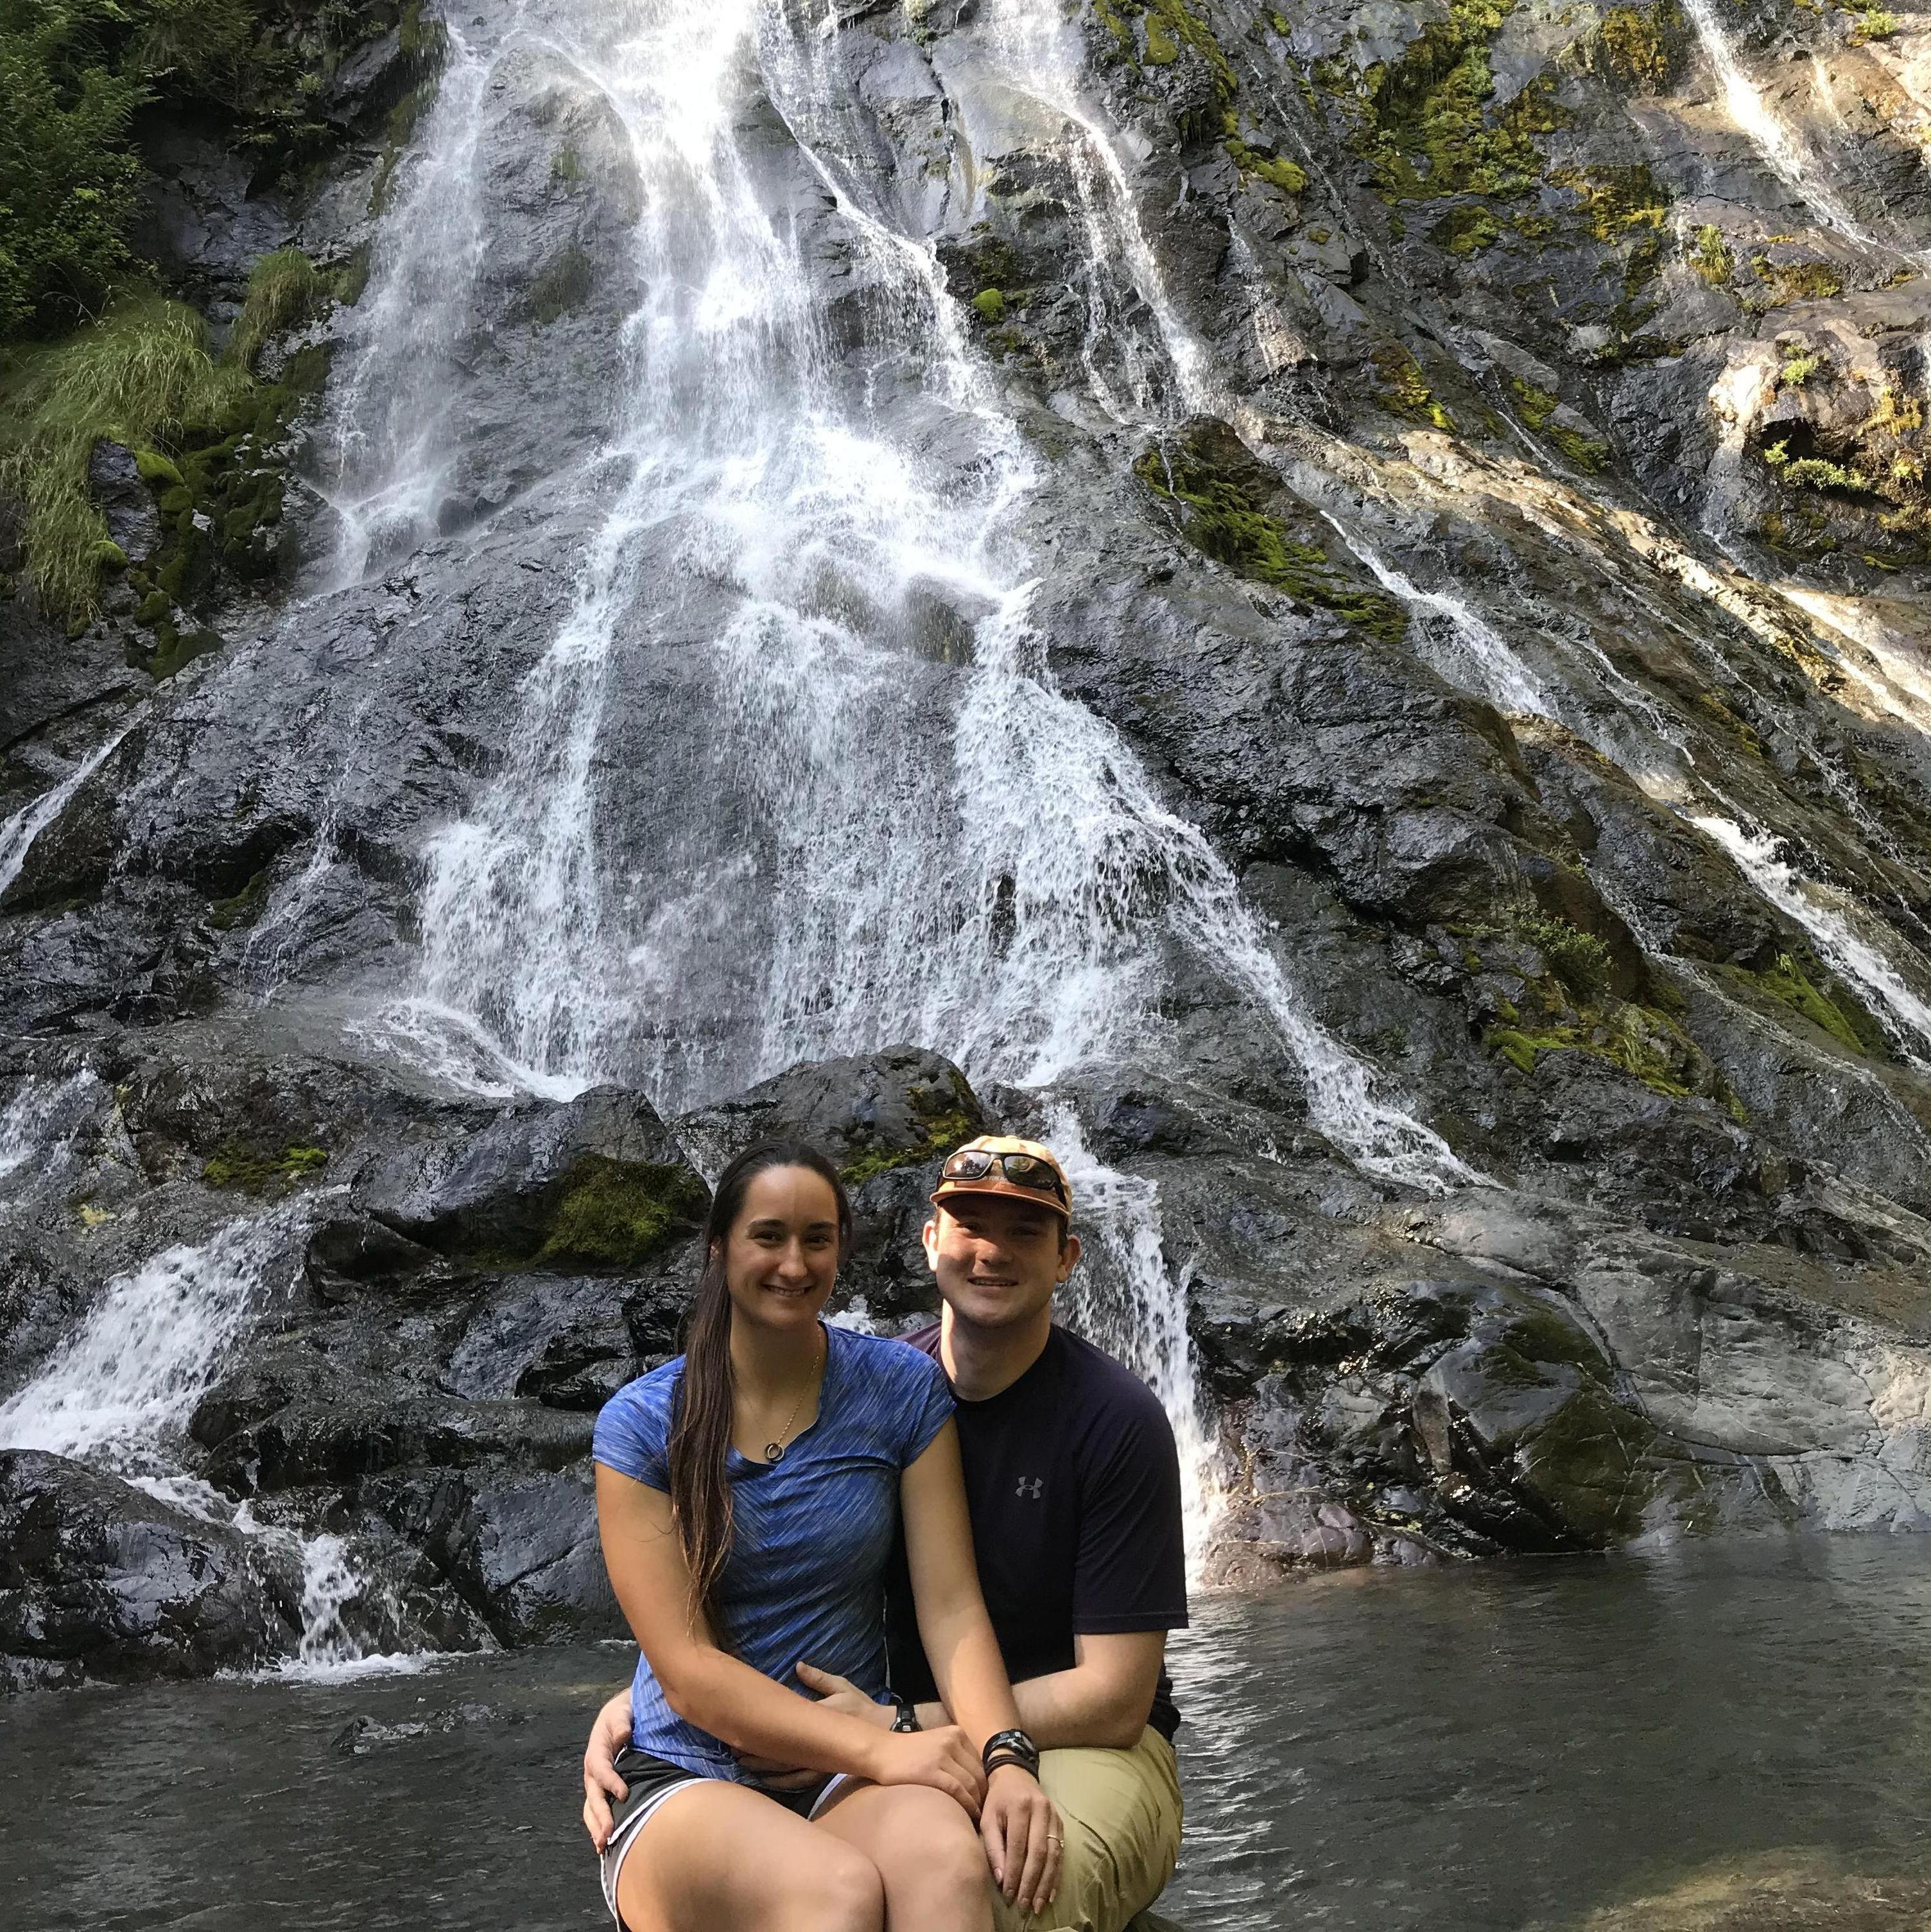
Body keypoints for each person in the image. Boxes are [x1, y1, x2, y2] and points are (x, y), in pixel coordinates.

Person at [586, 1133, 1189, 1932]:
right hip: (697, 1767)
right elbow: (690, 1667)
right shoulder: (641, 1423)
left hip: (894, 1752)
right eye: (768, 1236)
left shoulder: (906, 1392)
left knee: (953, 1869)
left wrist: (996, 1752)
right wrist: (630, 1700)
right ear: (717, 1249)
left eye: (817, 1240)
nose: (794, 1265)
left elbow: (954, 1610)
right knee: (837, 1895)